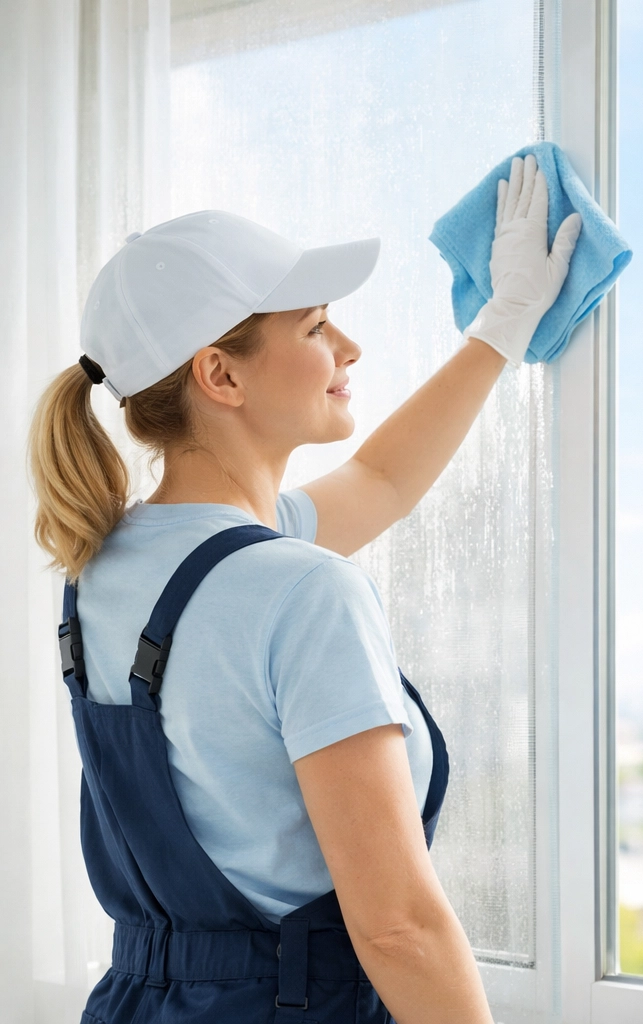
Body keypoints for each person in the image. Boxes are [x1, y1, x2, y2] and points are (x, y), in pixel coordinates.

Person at [26, 153, 582, 1024]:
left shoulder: (106, 561)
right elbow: (398, 927)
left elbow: (383, 482)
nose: (349, 347)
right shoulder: (300, 590)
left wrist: (503, 326)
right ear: (222, 374)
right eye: (318, 326)